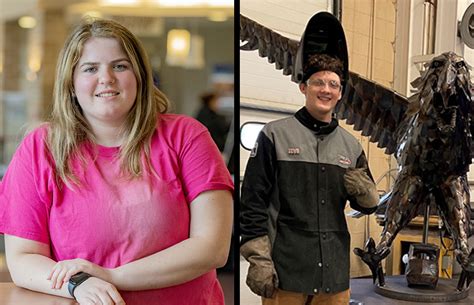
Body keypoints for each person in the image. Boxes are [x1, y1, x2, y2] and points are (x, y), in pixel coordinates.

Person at [0, 18, 233, 305]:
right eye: (90, 68)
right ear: (71, 83)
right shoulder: (40, 148)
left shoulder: (187, 136)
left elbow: (213, 247)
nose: (106, 78)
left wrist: (111, 276)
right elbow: (23, 258)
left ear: (139, 77)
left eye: (120, 66)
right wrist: (78, 284)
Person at [240, 54, 379, 305]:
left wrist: (368, 193)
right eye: (318, 82)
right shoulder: (274, 135)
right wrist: (259, 260)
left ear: (340, 93)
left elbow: (367, 206)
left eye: (333, 84)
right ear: (304, 87)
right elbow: (252, 204)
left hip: (334, 278)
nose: (326, 89)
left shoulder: (351, 147)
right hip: (286, 274)